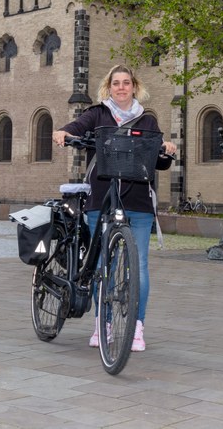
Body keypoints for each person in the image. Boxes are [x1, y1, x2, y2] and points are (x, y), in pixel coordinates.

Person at [52, 65, 177, 352]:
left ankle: (136, 329)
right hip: (102, 200)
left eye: (126, 83)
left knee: (140, 267)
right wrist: (63, 132)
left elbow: (158, 159)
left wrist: (166, 148)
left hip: (139, 202)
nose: (121, 87)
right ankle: (102, 324)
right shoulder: (97, 114)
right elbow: (76, 128)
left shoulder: (147, 120)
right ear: (109, 87)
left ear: (135, 86)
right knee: (100, 266)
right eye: (116, 83)